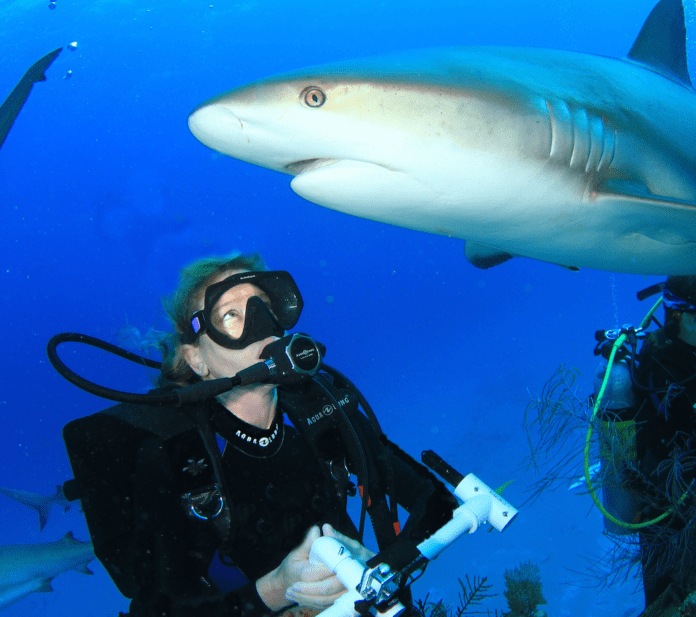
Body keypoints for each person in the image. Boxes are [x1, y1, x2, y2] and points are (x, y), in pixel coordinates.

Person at [62, 252, 458, 617]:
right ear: (196, 359)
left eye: (264, 308)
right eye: (230, 316)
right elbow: (162, 607)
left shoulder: (319, 412)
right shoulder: (172, 455)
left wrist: (377, 571)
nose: (261, 327)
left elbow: (435, 502)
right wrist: (277, 589)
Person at [631, 275, 696, 607]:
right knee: (669, 597)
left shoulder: (689, 349)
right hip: (667, 502)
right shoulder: (661, 362)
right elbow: (683, 420)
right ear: (678, 315)